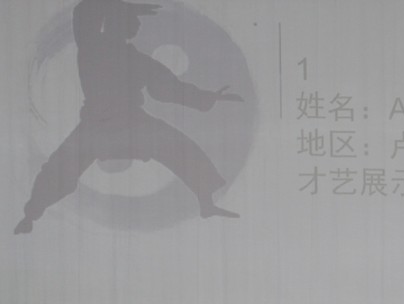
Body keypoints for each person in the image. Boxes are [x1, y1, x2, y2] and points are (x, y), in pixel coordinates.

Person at [15, 0, 242, 235]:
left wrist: (208, 97)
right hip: (119, 125)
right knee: (180, 149)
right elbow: (167, 90)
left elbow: (168, 89)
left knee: (61, 168)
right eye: (133, 22)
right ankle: (31, 214)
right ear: (122, 26)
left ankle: (31, 214)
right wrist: (207, 98)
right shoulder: (99, 48)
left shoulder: (96, 48)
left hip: (107, 126)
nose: (137, 27)